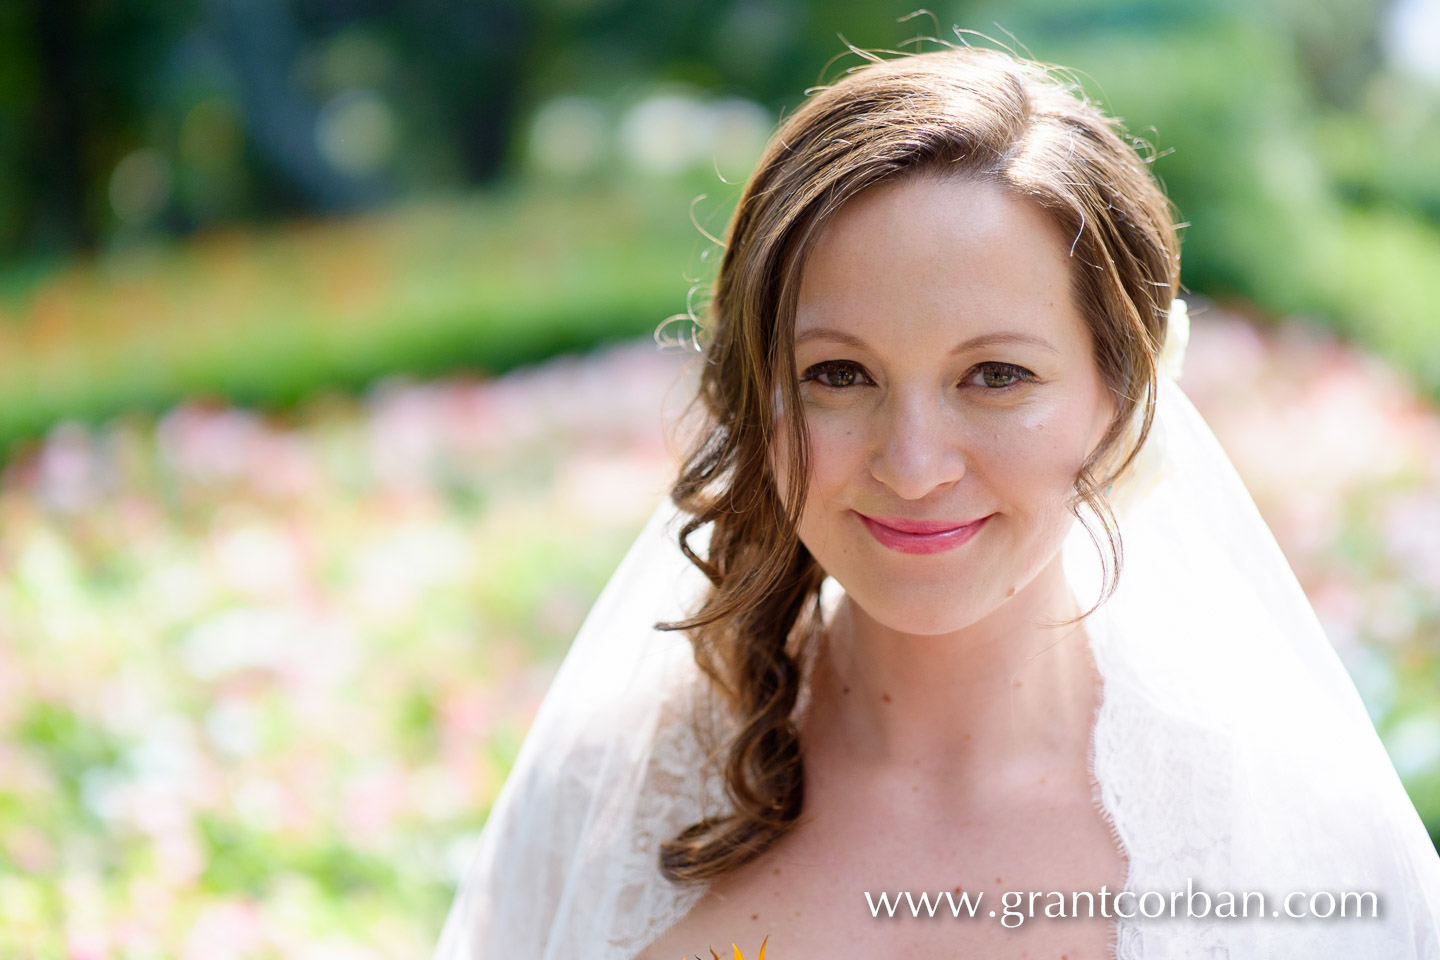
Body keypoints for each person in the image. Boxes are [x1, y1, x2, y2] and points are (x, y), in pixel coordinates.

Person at [431, 45, 1440, 959]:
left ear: (1122, 393)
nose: (912, 466)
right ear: (752, 392)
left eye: (995, 375)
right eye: (837, 375)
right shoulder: (610, 796)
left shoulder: (1297, 839)